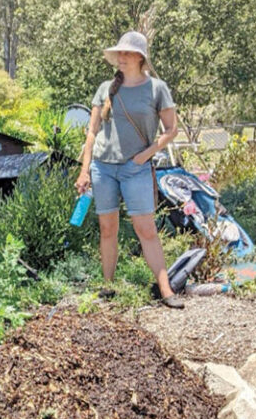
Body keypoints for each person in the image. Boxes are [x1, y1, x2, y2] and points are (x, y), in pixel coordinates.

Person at [75, 31, 183, 308]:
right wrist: (84, 170)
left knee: (146, 228)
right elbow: (92, 131)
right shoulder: (106, 88)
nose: (120, 57)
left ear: (139, 57)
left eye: (126, 53)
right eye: (118, 53)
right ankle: (108, 286)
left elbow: (171, 130)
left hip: (135, 168)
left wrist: (145, 156)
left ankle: (166, 290)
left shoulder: (157, 89)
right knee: (107, 228)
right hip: (103, 167)